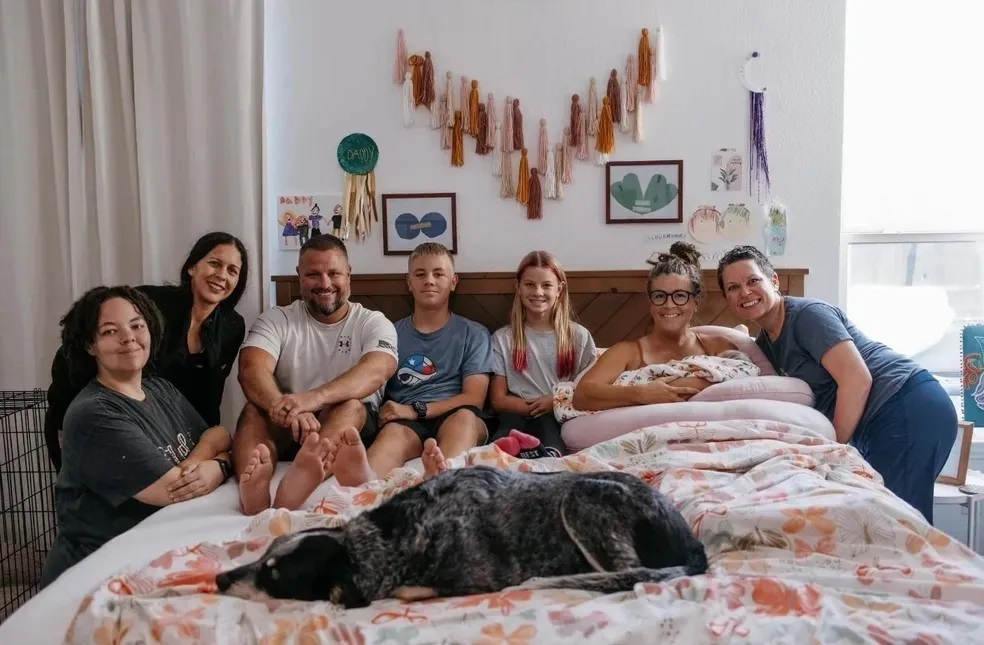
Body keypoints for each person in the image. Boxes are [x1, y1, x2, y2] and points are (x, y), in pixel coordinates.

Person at [717, 244, 957, 523]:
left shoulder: (807, 316)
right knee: (882, 522)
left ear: (774, 281)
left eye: (753, 281)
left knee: (894, 522)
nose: (745, 292)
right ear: (726, 298)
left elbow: (857, 379)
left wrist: (833, 450)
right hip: (882, 420)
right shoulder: (766, 346)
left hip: (907, 404)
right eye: (733, 288)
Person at [40, 286, 233, 587]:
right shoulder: (94, 414)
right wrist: (219, 463)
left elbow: (219, 434)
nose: (128, 337)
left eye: (137, 325)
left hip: (151, 562)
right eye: (109, 331)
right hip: (97, 578)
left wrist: (213, 460)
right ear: (90, 345)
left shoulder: (161, 389)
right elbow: (174, 491)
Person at [44, 232, 248, 471]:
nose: (221, 275)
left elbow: (211, 393)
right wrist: (69, 421)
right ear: (192, 267)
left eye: (232, 270)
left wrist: (209, 447)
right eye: (214, 263)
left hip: (174, 439)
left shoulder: (232, 326)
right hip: (109, 424)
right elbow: (73, 348)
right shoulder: (148, 304)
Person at [234, 234, 398, 515]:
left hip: (348, 426)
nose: (324, 283)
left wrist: (313, 399)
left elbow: (378, 370)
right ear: (299, 276)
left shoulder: (373, 322)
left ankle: (299, 478)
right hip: (288, 422)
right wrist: (286, 408)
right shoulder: (277, 319)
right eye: (313, 275)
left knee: (350, 406)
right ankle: (254, 486)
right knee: (252, 411)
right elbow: (251, 369)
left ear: (348, 274)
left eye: (333, 273)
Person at [326, 242, 494, 484]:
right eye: (420, 274)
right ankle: (361, 488)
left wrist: (416, 410)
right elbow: (373, 383)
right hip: (403, 420)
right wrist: (397, 413)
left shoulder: (474, 333)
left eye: (438, 274)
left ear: (453, 282)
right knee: (392, 435)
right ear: (409, 282)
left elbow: (474, 398)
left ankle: (443, 483)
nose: (429, 281)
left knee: (464, 419)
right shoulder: (389, 333)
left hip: (456, 414)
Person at [573, 242, 746, 412]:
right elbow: (582, 396)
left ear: (696, 302)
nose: (669, 305)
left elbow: (745, 379)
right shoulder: (626, 353)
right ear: (651, 303)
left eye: (680, 295)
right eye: (659, 296)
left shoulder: (718, 346)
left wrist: (685, 384)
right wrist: (642, 393)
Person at [487, 251, 596, 457]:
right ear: (518, 287)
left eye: (546, 285)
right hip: (514, 413)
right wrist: (533, 407)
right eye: (530, 284)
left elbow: (588, 388)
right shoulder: (502, 338)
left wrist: (554, 401)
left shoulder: (578, 336)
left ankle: (546, 457)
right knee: (506, 432)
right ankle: (505, 457)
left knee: (549, 430)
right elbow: (498, 399)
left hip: (558, 414)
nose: (538, 292)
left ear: (559, 289)